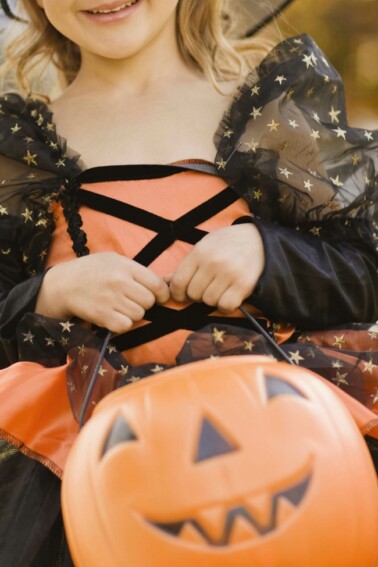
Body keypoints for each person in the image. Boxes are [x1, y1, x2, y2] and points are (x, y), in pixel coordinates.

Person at [0, 0, 377, 564]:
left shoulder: (273, 110)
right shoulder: (17, 151)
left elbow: (365, 267)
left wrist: (266, 253)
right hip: (104, 473)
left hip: (291, 443)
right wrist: (55, 291)